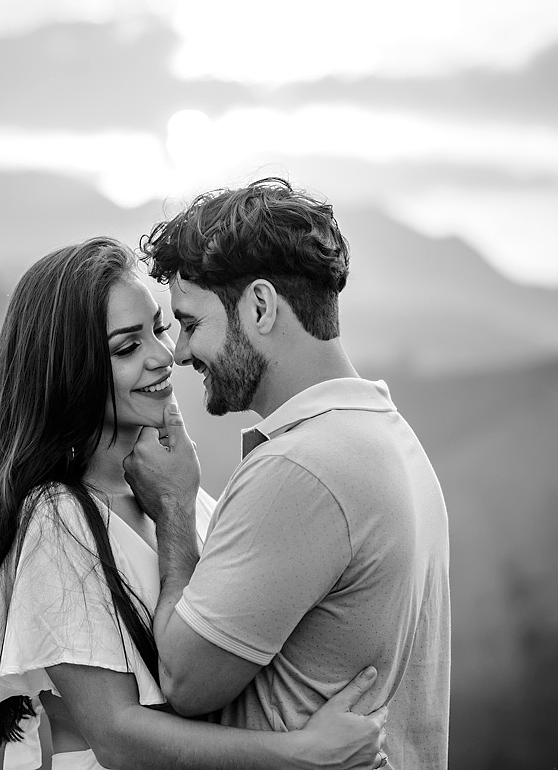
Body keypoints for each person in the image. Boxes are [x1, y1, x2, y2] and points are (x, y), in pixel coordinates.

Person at [0, 236, 389, 770]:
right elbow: (116, 736)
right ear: (71, 372)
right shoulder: (59, 518)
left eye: (158, 329)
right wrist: (298, 754)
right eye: (126, 348)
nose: (164, 356)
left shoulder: (181, 495)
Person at [124, 179, 451, 770]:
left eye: (191, 324)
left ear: (260, 306)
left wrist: (174, 507)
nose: (179, 354)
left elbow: (183, 681)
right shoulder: (390, 438)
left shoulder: (299, 468)